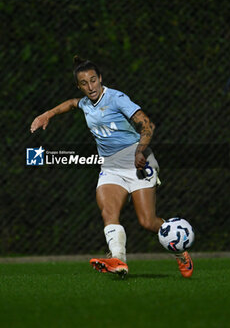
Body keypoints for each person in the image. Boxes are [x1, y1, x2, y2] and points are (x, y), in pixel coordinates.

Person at [30, 55, 193, 278]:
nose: (90, 86)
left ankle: (180, 248)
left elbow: (148, 126)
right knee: (108, 212)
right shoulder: (86, 103)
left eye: (93, 80)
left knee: (147, 221)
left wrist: (138, 151)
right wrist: (47, 114)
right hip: (111, 167)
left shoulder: (116, 99)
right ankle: (118, 260)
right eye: (84, 83)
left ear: (100, 79)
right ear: (79, 86)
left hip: (138, 163)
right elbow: (71, 104)